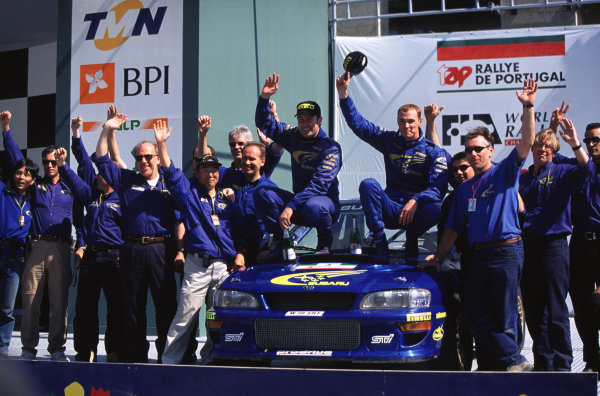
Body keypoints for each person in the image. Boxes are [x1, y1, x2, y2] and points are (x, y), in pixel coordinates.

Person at [419, 78, 538, 372]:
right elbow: (452, 229)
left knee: (504, 316)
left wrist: (528, 106)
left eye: (478, 148)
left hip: (507, 252)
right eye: (469, 149)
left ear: (490, 149)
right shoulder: (463, 190)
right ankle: (513, 362)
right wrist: (439, 257)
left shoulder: (505, 172)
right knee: (473, 316)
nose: (473, 153)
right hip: (479, 256)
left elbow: (526, 142)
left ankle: (506, 376)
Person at [152, 120, 246, 364]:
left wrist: (240, 253)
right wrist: (162, 144)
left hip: (223, 268)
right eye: (205, 169)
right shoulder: (190, 195)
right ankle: (169, 364)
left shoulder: (228, 202)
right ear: (197, 172)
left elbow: (240, 231)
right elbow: (171, 173)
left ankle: (210, 361)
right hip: (198, 266)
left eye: (214, 169)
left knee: (218, 320)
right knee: (185, 317)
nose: (211, 173)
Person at [93, 111, 178, 363]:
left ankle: (167, 357)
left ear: (157, 158)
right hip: (131, 249)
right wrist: (106, 129)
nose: (143, 161)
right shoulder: (126, 179)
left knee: (165, 307)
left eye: (148, 157)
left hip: (161, 250)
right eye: (139, 158)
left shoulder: (170, 182)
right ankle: (136, 358)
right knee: (132, 307)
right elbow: (101, 157)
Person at [336, 72, 448, 262]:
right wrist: (343, 93)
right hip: (391, 208)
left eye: (411, 121)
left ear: (420, 122)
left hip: (416, 211)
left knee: (437, 208)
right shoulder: (389, 140)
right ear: (397, 121)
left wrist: (415, 200)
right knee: (368, 184)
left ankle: (412, 238)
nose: (406, 126)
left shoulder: (433, 152)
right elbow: (358, 124)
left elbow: (438, 189)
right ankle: (380, 240)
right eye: (402, 121)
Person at [1, 110, 78, 361]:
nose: (49, 166)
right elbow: (16, 160)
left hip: (61, 248)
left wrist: (83, 245)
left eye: (53, 162)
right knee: (31, 298)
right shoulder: (37, 186)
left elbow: (83, 216)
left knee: (59, 302)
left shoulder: (70, 187)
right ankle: (28, 348)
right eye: (46, 162)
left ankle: (56, 348)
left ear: (60, 162)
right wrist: (6, 130)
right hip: (36, 245)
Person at [519, 118, 590, 371]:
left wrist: (574, 143)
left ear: (554, 151)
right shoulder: (524, 178)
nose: (544, 149)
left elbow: (587, 169)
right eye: (539, 145)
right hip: (527, 247)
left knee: (556, 308)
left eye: (549, 146)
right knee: (534, 307)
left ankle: (562, 364)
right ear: (533, 148)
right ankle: (543, 362)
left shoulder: (562, 171)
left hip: (554, 246)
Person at [57, 114, 126, 363]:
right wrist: (64, 164)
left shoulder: (122, 197)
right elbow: (78, 177)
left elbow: (110, 160)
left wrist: (111, 133)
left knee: (116, 308)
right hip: (90, 257)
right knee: (85, 309)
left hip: (114, 257)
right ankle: (85, 351)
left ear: (110, 178)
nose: (96, 176)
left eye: (101, 174)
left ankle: (115, 351)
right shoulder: (91, 194)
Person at [254, 73, 342, 256]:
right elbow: (265, 124)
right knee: (262, 193)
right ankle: (281, 240)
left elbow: (319, 185)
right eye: (300, 119)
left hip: (323, 205)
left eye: (309, 119)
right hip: (299, 204)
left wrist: (291, 205)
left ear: (319, 120)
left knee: (314, 205)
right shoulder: (293, 135)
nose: (304, 124)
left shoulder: (331, 148)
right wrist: (264, 98)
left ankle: (324, 245)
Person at [0, 158, 37, 358]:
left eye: (26, 174)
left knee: (7, 308)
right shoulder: (2, 191)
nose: (21, 177)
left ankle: (2, 349)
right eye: (18, 172)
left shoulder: (33, 199)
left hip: (15, 257)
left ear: (32, 179)